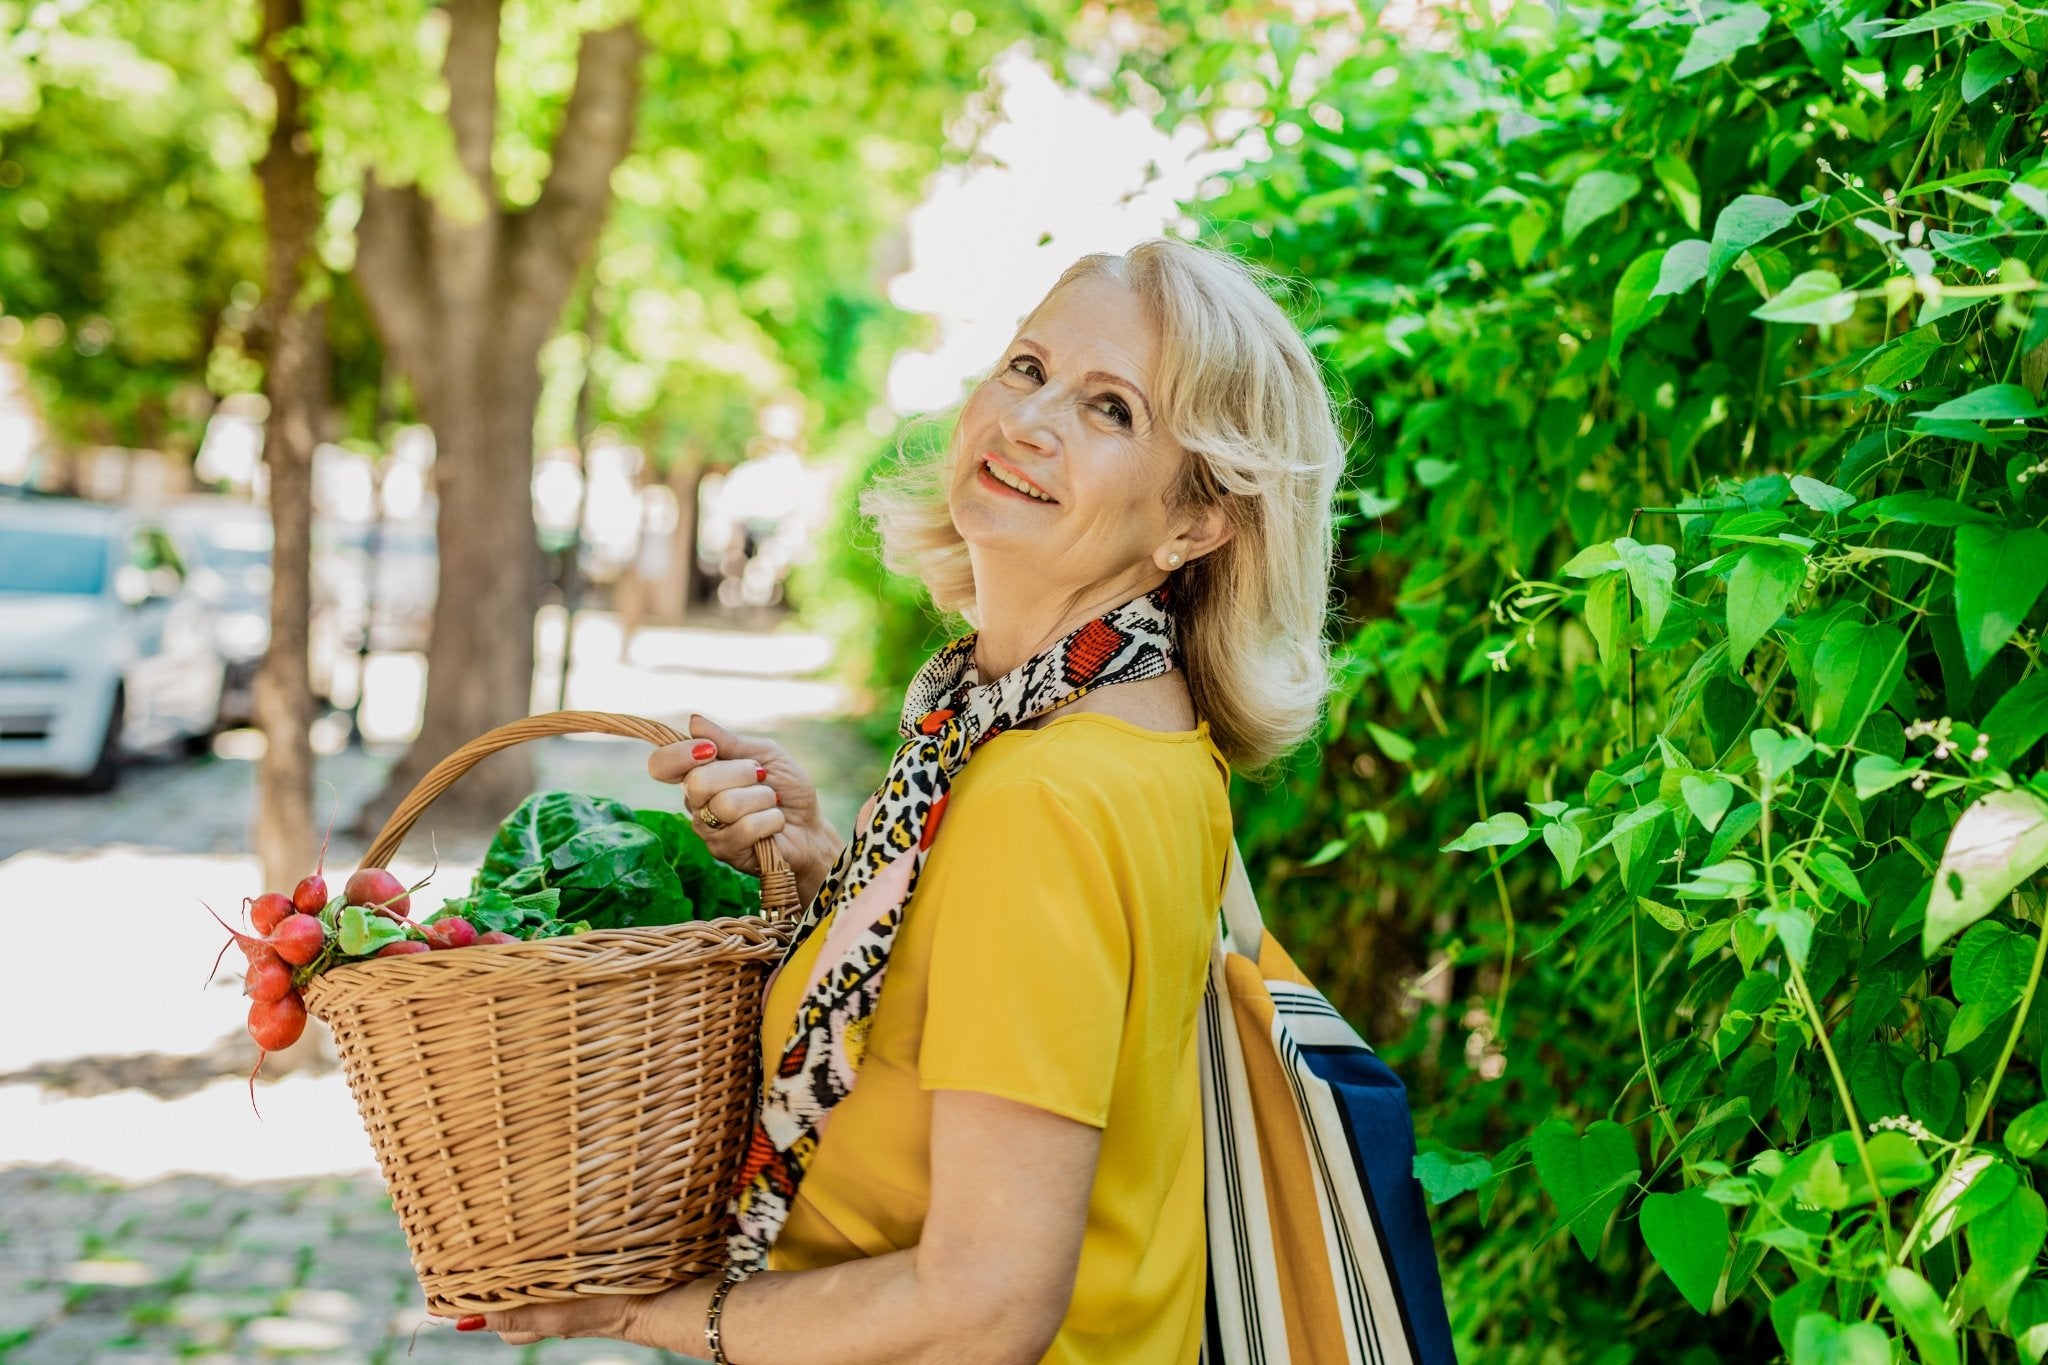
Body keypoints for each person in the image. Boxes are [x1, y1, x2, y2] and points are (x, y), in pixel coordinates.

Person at [457, 237, 1345, 1362]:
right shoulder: (1118, 735)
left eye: (1112, 409)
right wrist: (841, 870)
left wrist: (650, 1314)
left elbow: (982, 1307)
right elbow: (1012, 997)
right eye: (1028, 368)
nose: (1030, 419)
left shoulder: (1044, 790)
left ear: (1194, 522)